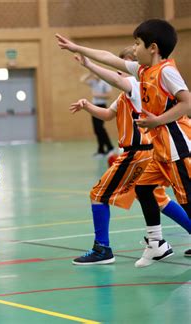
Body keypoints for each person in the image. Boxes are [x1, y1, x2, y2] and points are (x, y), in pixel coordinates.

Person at [56, 18, 191, 266]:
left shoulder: (165, 72)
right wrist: (79, 49)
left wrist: (157, 120)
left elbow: (187, 102)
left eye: (137, 44)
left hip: (176, 146)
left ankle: (115, 247)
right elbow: (109, 59)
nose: (134, 49)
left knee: (186, 200)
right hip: (158, 148)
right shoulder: (143, 72)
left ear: (152, 47)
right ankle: (156, 243)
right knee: (144, 189)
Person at [80, 73, 114, 157]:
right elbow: (82, 80)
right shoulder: (93, 82)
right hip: (94, 106)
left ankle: (110, 148)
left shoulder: (104, 83)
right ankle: (101, 150)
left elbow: (109, 95)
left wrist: (98, 95)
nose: (95, 76)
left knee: (100, 128)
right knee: (96, 129)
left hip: (101, 106)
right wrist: (89, 74)